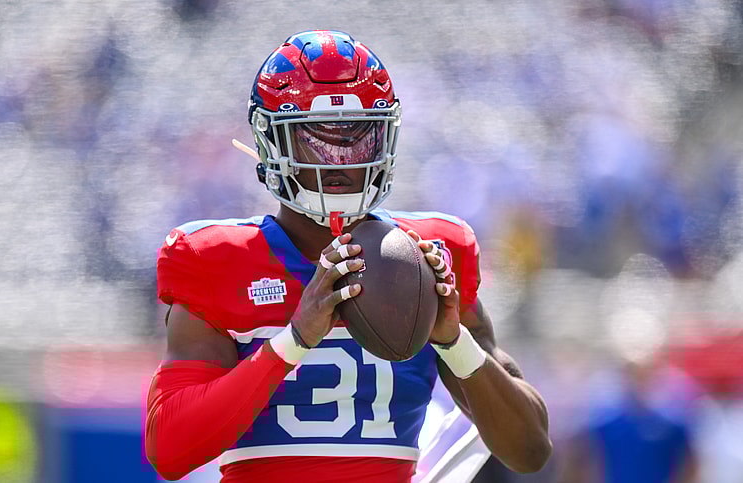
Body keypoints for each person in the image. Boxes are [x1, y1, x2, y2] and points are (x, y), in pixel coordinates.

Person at [144, 30, 552, 483]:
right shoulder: (216, 259)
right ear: (271, 142)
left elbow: (529, 449)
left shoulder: (430, 255)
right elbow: (170, 449)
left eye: (358, 137)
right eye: (314, 138)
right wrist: (294, 339)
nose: (338, 159)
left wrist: (454, 341)